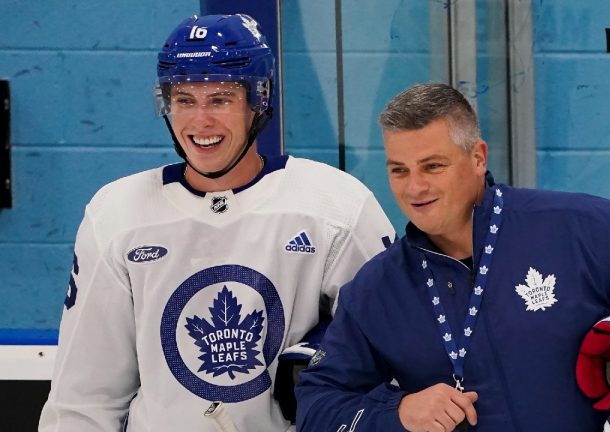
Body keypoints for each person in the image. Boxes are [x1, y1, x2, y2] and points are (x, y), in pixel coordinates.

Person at [295, 83, 610, 431]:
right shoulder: (377, 288)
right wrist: (400, 413)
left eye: (433, 166)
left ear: (478, 157)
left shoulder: (580, 227)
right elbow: (319, 405)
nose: (414, 188)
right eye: (399, 170)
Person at [39, 14, 394, 432]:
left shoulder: (337, 207)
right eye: (185, 100)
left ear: (258, 101)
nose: (200, 120)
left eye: (220, 99)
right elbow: (84, 398)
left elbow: (394, 347)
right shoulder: (118, 214)